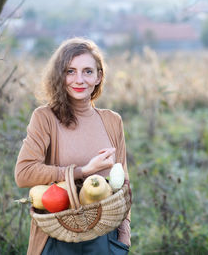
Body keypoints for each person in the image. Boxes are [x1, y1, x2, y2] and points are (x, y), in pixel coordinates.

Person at [15, 37, 131, 255]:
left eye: (88, 71)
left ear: (98, 76)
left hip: (104, 237)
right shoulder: (45, 118)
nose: (79, 79)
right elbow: (23, 174)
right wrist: (83, 171)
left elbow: (123, 182)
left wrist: (123, 237)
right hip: (57, 235)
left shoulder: (112, 121)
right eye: (70, 71)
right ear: (60, 76)